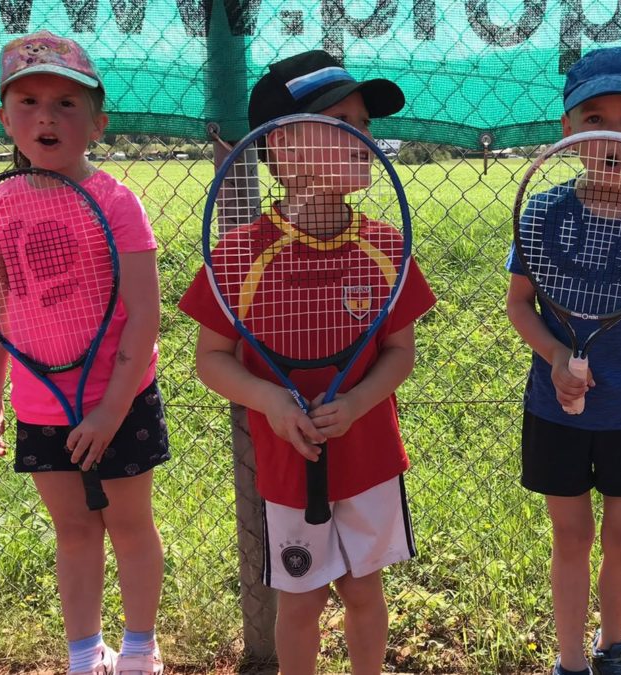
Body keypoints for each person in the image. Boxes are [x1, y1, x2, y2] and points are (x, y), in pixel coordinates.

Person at [178, 50, 436, 675]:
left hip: (369, 460)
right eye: (339, 121)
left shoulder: (386, 246)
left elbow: (401, 353)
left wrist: (357, 403)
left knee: (364, 595)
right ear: (282, 150)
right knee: (300, 601)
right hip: (289, 469)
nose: (362, 137)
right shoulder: (238, 256)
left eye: (365, 124)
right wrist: (269, 400)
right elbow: (211, 362)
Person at [0, 31, 169, 675]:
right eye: (27, 101)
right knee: (75, 531)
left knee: (129, 527)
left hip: (122, 400)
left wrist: (112, 410)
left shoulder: (117, 202)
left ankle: (139, 648)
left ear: (98, 123)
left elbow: (145, 317)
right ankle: (85, 655)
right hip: (42, 407)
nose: (46, 116)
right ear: (4, 119)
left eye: (66, 102)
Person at [505, 46, 621, 675]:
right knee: (572, 537)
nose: (613, 133)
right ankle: (569, 661)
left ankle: (614, 648)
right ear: (567, 131)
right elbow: (519, 306)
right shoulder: (543, 212)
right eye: (593, 118)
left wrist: (614, 360)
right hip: (552, 410)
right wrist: (561, 355)